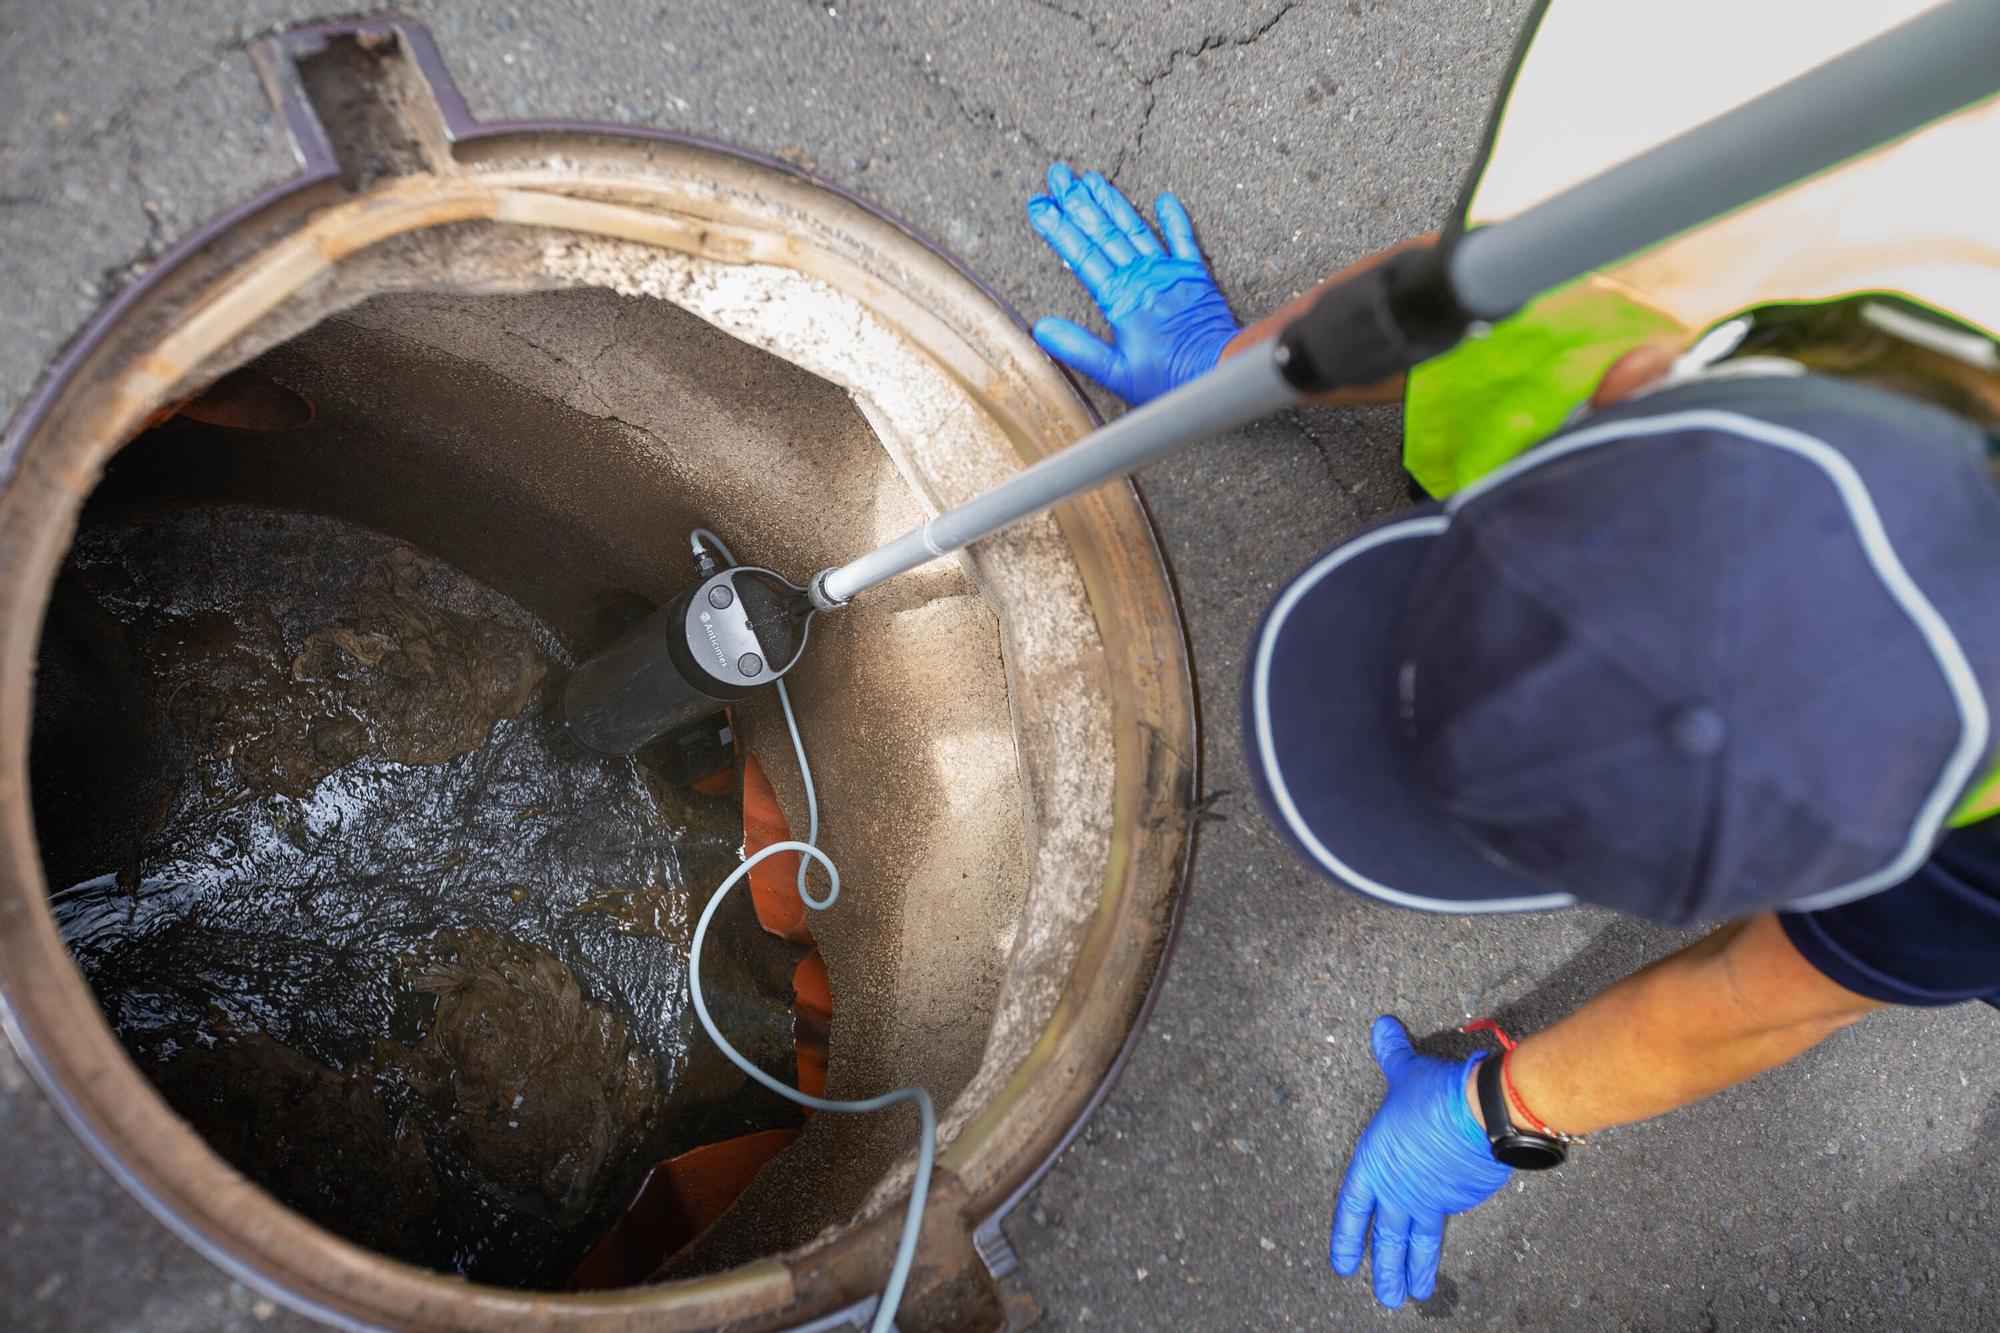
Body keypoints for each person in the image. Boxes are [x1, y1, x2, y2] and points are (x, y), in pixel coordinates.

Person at [1023, 160, 2000, 1309]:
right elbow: (1462, 289)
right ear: (1644, 379)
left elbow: (1773, 990)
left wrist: (1499, 1116)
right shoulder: (1786, 151)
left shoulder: (1974, 870)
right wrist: (1239, 368)